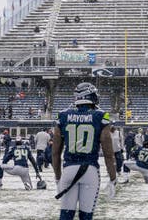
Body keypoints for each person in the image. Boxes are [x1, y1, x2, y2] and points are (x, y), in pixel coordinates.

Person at [52, 82, 117, 220]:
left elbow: (55, 152)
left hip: (69, 169)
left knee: (65, 216)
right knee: (86, 216)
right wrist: (113, 178)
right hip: (90, 171)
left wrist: (58, 177)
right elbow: (108, 154)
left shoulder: (63, 115)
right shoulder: (101, 116)